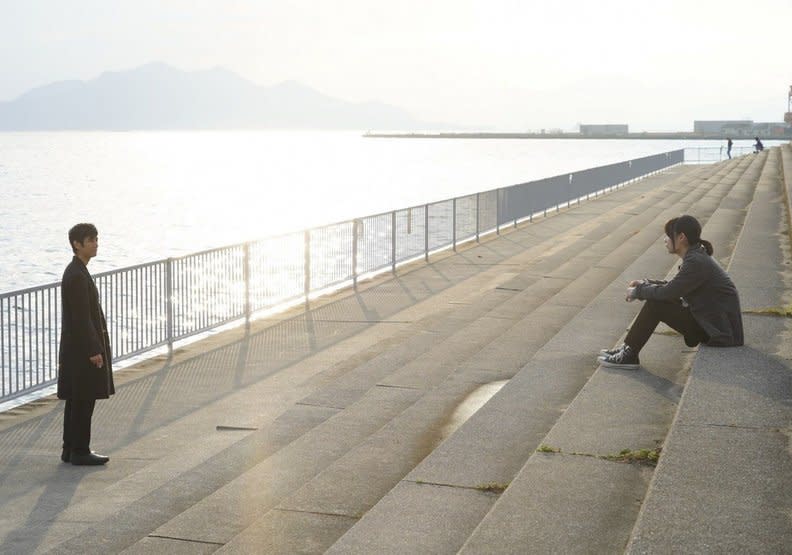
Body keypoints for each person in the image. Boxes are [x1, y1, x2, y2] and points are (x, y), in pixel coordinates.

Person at [598, 215, 743, 370]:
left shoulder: (696, 262)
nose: (665, 240)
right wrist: (646, 284)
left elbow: (669, 292)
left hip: (719, 332)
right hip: (715, 325)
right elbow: (676, 287)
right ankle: (628, 348)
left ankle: (629, 353)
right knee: (658, 300)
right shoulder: (697, 256)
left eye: (668, 236)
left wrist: (638, 292)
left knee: (656, 305)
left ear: (681, 238)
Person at [57, 223, 114, 465]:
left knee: (76, 398)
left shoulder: (77, 271)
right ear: (76, 244)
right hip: (81, 351)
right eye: (90, 240)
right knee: (83, 399)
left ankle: (70, 449)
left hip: (75, 349)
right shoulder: (76, 276)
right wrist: (94, 350)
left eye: (96, 239)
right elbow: (81, 318)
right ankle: (80, 450)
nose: (95, 243)